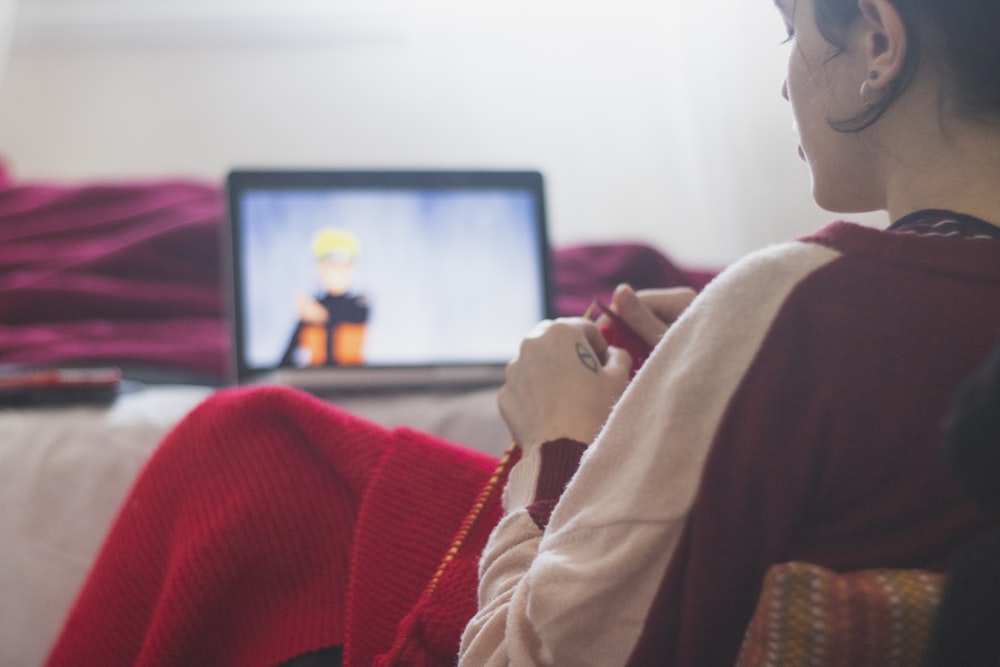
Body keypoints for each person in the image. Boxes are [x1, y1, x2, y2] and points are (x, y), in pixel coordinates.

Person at [44, 0, 1000, 664]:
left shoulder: (799, 302)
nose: (786, 81)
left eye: (791, 32)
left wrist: (558, 436)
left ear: (879, 38)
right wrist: (703, 382)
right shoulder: (827, 317)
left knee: (243, 449)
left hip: (550, 603)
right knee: (271, 446)